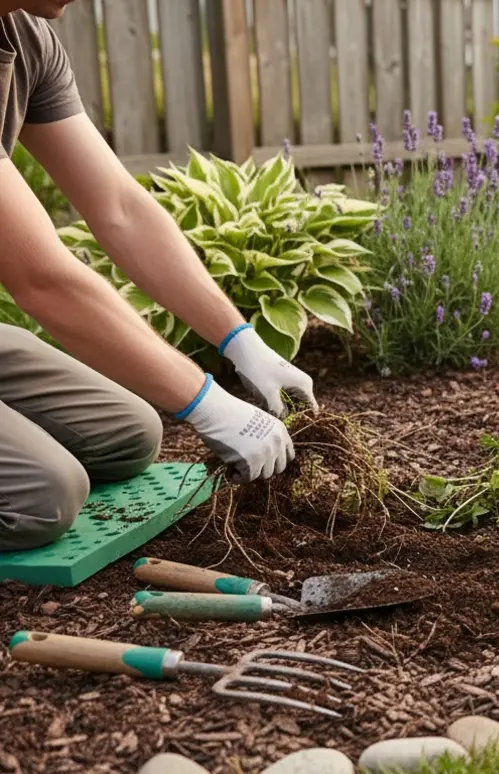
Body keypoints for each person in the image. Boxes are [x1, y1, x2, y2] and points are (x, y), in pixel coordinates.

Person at [1, 0, 317, 551]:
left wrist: (241, 343)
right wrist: (208, 403)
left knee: (129, 435)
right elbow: (43, 279)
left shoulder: (25, 35)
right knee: (41, 495)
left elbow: (120, 208)